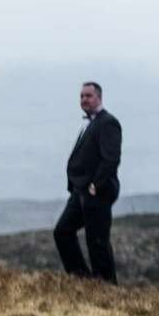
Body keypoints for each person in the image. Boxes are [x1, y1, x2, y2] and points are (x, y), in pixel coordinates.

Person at [53, 80, 121, 282]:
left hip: (96, 191)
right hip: (79, 191)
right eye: (82, 96)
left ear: (99, 97)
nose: (84, 99)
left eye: (88, 96)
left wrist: (96, 184)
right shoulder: (91, 123)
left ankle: (107, 287)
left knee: (97, 240)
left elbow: (111, 158)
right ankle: (82, 279)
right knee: (62, 231)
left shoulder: (108, 122)